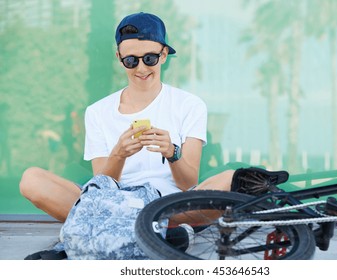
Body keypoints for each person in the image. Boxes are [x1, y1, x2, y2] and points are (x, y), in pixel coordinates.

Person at [19, 12, 288, 223]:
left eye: (149, 58)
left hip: (170, 205)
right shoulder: (98, 112)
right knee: (32, 179)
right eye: (131, 61)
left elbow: (188, 182)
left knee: (230, 179)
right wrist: (119, 154)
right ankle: (154, 231)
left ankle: (138, 227)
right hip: (113, 204)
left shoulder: (189, 105)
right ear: (119, 58)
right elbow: (101, 189)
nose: (142, 68)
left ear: (163, 55)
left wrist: (172, 152)